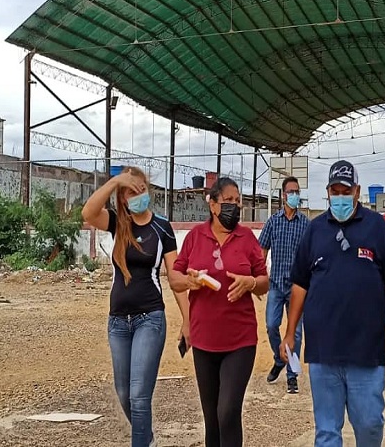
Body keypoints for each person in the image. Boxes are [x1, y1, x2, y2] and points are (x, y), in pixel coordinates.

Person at [279, 160, 385, 447]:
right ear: (327, 192)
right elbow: (300, 284)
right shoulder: (314, 230)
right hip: (323, 351)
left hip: (366, 350)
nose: (340, 196)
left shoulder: (377, 228)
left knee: (370, 424)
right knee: (326, 432)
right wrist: (290, 332)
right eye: (334, 191)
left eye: (345, 190)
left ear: (357, 191)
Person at [81, 167, 181, 447]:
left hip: (150, 318)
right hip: (118, 322)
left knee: (139, 395)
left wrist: (188, 319)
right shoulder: (117, 224)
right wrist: (114, 181)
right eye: (130, 191)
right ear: (122, 198)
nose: (137, 195)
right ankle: (147, 438)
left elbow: (175, 276)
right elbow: (88, 214)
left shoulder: (162, 228)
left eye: (141, 189)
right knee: (124, 392)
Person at [169, 177, 269, 447]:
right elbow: (175, 277)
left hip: (240, 340)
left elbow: (264, 282)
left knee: (227, 412)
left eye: (238, 201)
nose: (235, 206)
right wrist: (190, 281)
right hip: (204, 341)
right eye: (228, 201)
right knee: (211, 419)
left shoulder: (247, 238)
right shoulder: (195, 237)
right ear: (213, 205)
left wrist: (249, 283)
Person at [258, 176, 309, 394]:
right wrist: (259, 276)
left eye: (297, 191)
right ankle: (279, 358)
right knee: (271, 325)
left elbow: (311, 254)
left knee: (296, 333)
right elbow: (262, 250)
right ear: (283, 195)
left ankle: (291, 374)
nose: (295, 195)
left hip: (297, 287)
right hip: (276, 284)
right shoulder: (273, 222)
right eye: (291, 191)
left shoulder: (306, 224)